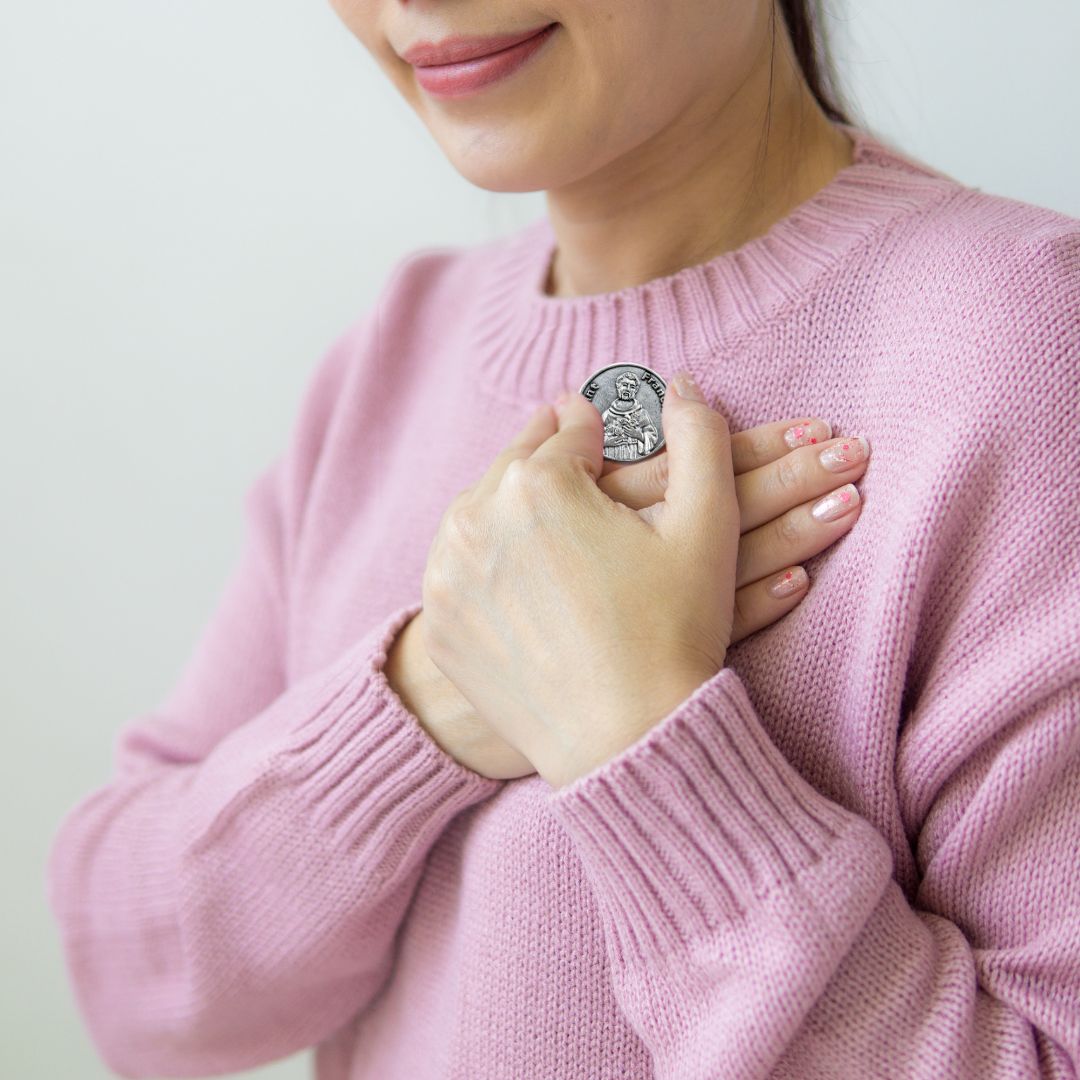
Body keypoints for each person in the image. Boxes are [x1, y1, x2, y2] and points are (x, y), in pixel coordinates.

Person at [46, 1, 1079, 1078]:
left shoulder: (1031, 355)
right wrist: (430, 695)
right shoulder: (394, 351)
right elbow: (137, 991)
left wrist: (641, 731)